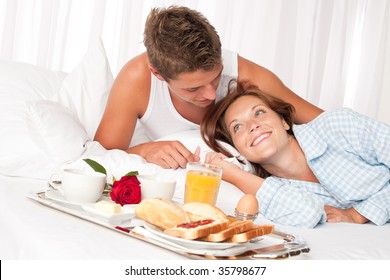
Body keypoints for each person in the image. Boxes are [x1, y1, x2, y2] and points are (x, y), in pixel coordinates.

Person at [94, 5, 322, 169]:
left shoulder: (247, 76)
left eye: (216, 77)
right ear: (157, 74)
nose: (211, 94)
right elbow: (98, 156)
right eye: (192, 89)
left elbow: (328, 124)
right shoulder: (137, 80)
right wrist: (144, 150)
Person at [200, 80, 390, 228]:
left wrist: (358, 214)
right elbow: (308, 214)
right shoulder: (276, 190)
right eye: (238, 127)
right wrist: (234, 175)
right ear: (239, 150)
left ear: (284, 122)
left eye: (258, 113)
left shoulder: (338, 125)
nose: (252, 126)